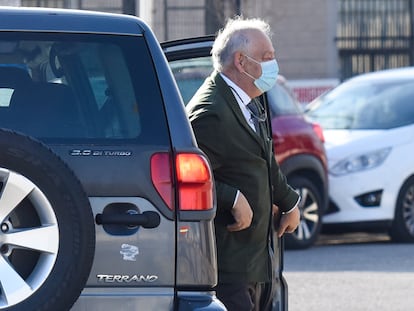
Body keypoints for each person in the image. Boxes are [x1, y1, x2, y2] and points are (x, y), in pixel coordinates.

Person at [186, 16, 301, 311]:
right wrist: (231, 197)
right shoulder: (211, 112)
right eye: (267, 58)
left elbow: (263, 160)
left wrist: (289, 203)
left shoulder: (247, 100)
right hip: (230, 267)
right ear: (241, 61)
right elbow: (186, 177)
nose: (273, 66)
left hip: (257, 262)